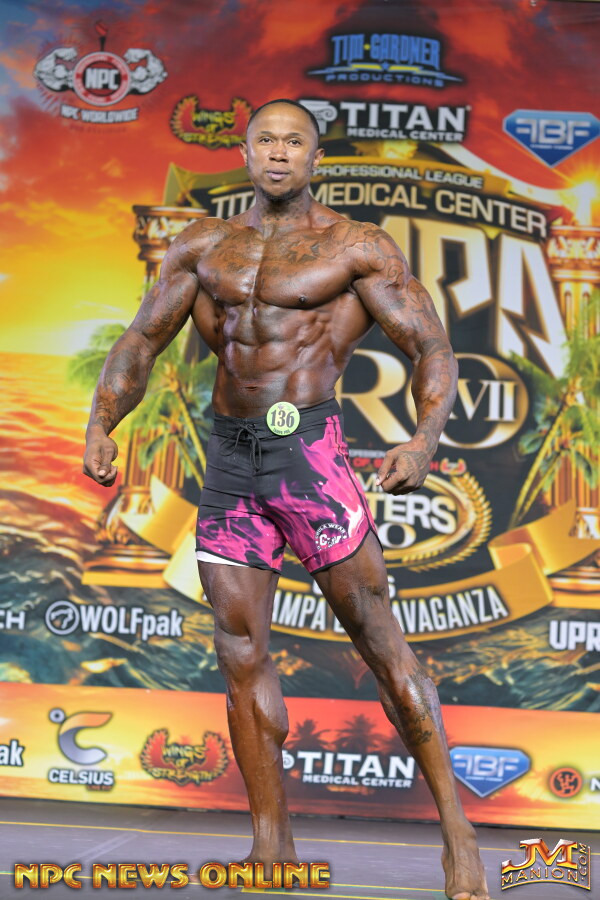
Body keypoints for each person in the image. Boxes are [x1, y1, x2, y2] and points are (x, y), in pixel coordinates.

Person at [83, 98, 489, 900]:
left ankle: (458, 832)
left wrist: (422, 440)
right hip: (231, 463)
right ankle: (271, 847)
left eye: (293, 142)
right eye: (265, 140)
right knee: (239, 653)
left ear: (314, 158)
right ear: (245, 152)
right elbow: (141, 339)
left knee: (380, 640)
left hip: (309, 457)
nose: (277, 153)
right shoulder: (203, 245)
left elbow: (430, 344)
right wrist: (101, 422)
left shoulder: (354, 247)